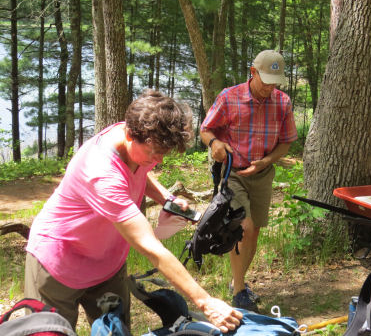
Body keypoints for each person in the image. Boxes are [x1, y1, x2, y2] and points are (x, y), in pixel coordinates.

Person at [24, 89, 242, 333]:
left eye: (163, 153)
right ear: (130, 135)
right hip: (58, 267)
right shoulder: (101, 171)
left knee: (116, 331)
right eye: (153, 153)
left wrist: (166, 199)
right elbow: (150, 247)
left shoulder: (134, 135)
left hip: (106, 266)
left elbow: (138, 170)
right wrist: (205, 302)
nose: (157, 160)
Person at [200, 50, 298, 312]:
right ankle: (240, 292)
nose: (270, 87)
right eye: (265, 80)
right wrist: (215, 143)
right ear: (252, 73)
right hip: (232, 172)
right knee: (244, 226)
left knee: (254, 232)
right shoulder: (229, 97)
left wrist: (266, 162)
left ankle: (237, 281)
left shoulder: (283, 103)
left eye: (274, 82)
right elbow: (205, 129)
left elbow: (287, 142)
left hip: (262, 174)